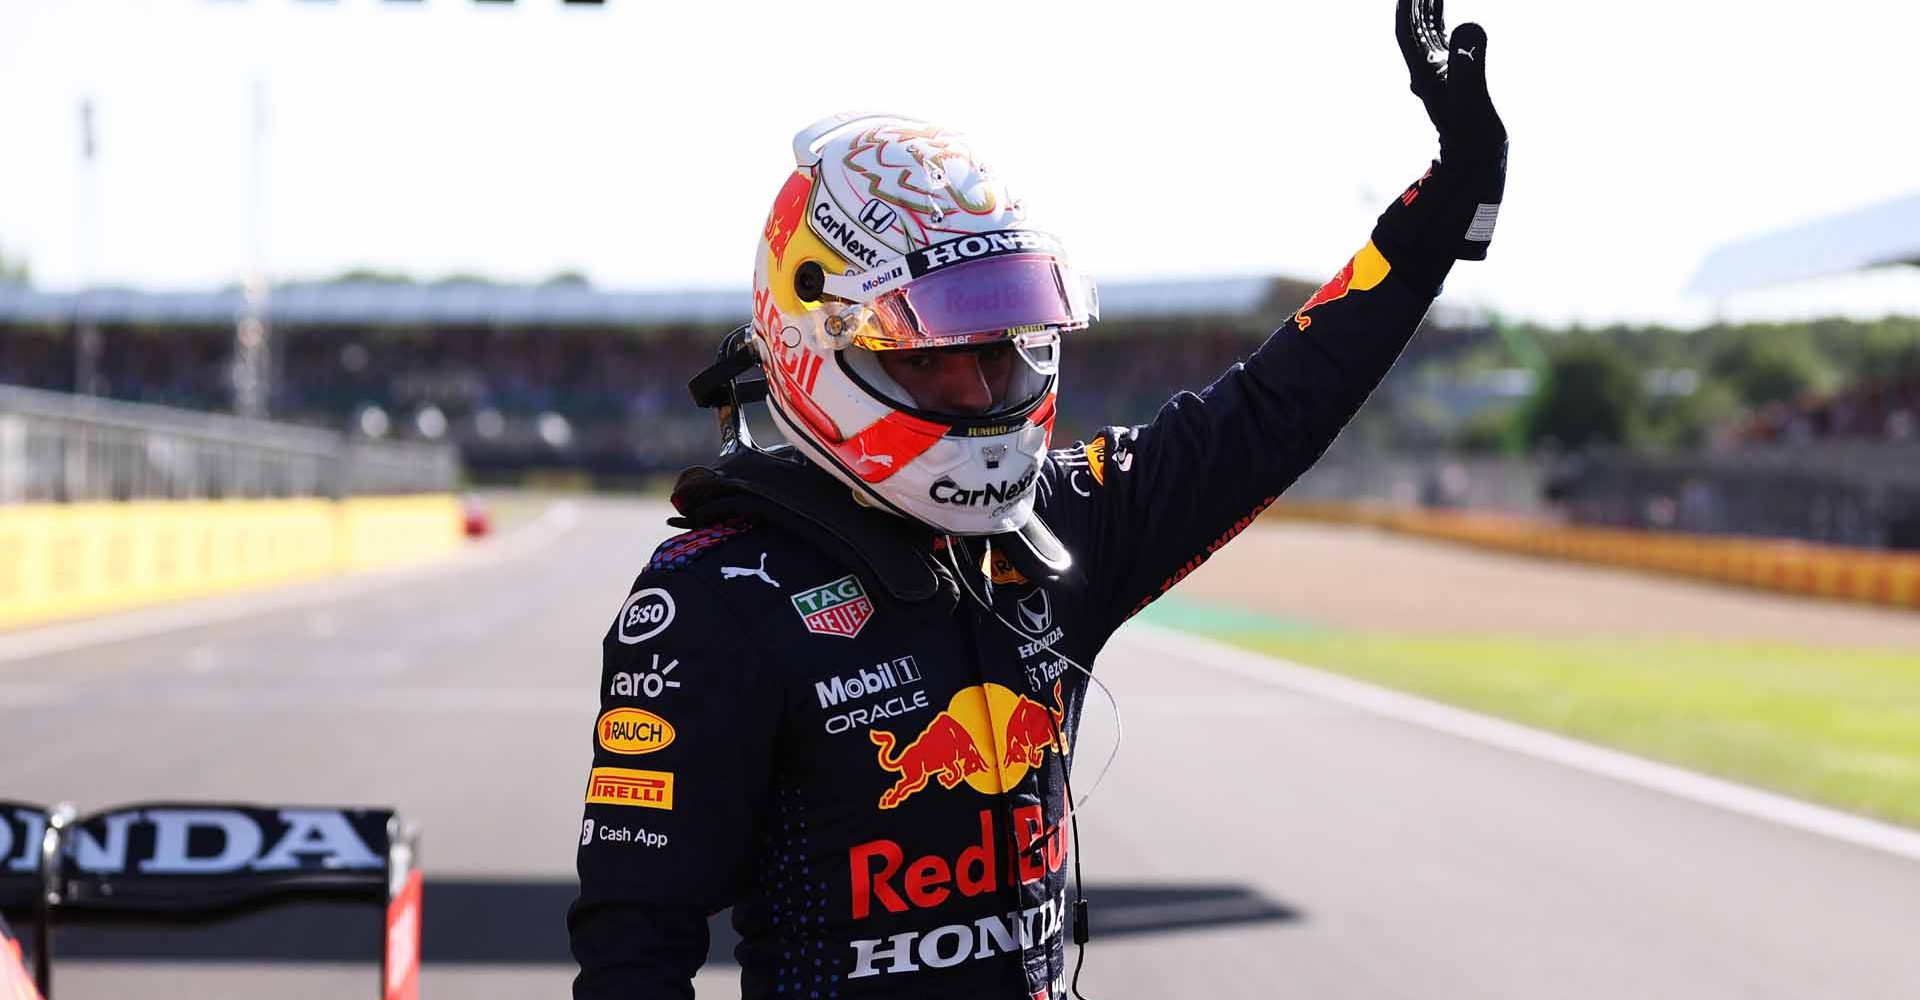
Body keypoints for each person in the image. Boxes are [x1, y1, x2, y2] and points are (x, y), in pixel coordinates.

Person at [569, 3, 1507, 997]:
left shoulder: (1051, 525)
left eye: (1003, 345)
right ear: (816, 337)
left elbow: (1267, 415)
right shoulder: (711, 600)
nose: (981, 392)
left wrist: (1445, 209)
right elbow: (635, 955)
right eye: (937, 356)